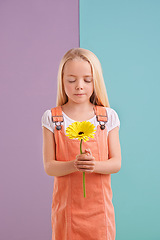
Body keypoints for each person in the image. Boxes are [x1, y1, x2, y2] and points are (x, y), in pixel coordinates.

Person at [41, 48, 121, 240]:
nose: (79, 86)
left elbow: (116, 163)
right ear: (62, 80)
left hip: (100, 213)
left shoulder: (107, 117)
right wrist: (73, 164)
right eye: (71, 80)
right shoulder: (52, 118)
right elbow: (49, 167)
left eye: (87, 80)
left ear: (96, 81)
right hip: (66, 213)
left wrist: (94, 165)